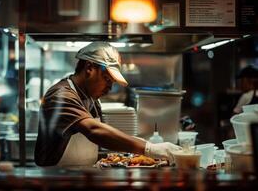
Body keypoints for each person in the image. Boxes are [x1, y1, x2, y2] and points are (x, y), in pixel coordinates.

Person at [34, 42, 181, 166]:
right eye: (107, 79)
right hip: (55, 180)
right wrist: (149, 148)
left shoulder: (92, 100)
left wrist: (142, 144)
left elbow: (104, 139)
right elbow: (94, 130)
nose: (110, 87)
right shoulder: (61, 95)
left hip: (81, 176)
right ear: (89, 68)